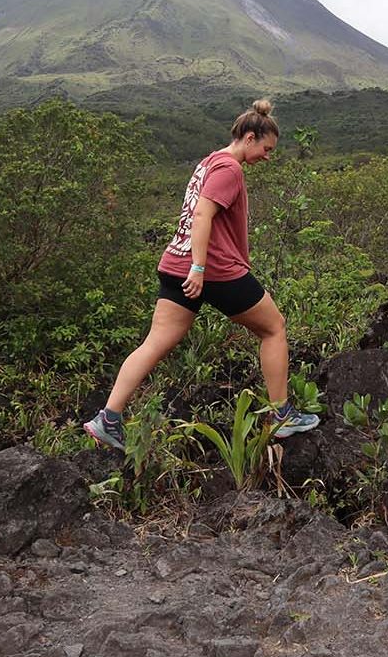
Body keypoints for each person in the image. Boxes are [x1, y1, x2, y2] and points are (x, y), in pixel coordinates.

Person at [84, 99, 320, 451]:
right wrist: (199, 267)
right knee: (274, 328)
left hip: (174, 265)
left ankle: (109, 418)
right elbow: (202, 216)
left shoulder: (208, 161)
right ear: (250, 137)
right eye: (266, 149)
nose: (267, 157)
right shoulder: (229, 169)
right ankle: (281, 415)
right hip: (213, 270)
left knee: (154, 343)